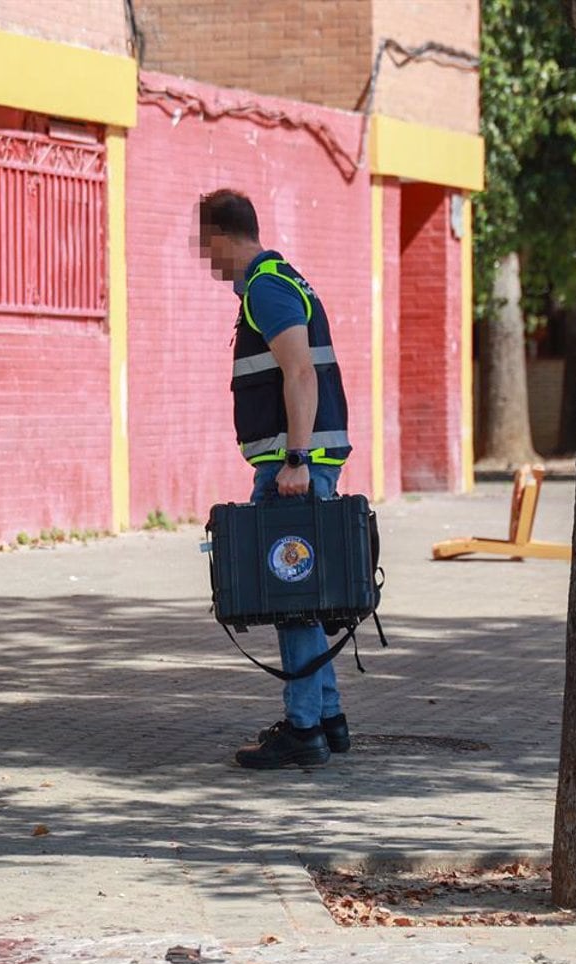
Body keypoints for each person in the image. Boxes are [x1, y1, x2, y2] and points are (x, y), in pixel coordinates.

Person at [196, 189, 354, 768]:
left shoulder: (267, 286)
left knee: (291, 597)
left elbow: (300, 373)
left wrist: (296, 460)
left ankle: (303, 728)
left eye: (205, 244)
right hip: (299, 465)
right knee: (305, 594)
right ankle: (328, 718)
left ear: (220, 237)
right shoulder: (282, 282)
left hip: (291, 470)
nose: (205, 257)